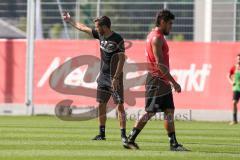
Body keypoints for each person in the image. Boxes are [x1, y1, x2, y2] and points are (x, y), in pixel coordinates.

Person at [63, 12, 128, 147]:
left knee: (120, 106)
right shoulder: (100, 35)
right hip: (103, 76)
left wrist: (116, 77)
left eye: (98, 27)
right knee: (101, 104)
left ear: (105, 27)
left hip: (115, 77)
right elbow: (83, 28)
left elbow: (122, 59)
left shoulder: (118, 39)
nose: (96, 29)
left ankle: (123, 135)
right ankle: (102, 134)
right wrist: (70, 20)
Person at [126, 10, 189, 151]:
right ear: (162, 22)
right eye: (170, 23)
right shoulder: (157, 38)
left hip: (161, 80)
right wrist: (174, 82)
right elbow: (159, 64)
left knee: (169, 111)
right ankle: (130, 139)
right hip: (156, 80)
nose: (171, 27)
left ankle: (173, 144)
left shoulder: (153, 35)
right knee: (149, 112)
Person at [228, 54, 240, 125]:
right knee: (234, 102)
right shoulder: (234, 67)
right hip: (236, 88)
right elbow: (228, 76)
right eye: (238, 58)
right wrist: (231, 82)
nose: (239, 60)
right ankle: (234, 120)